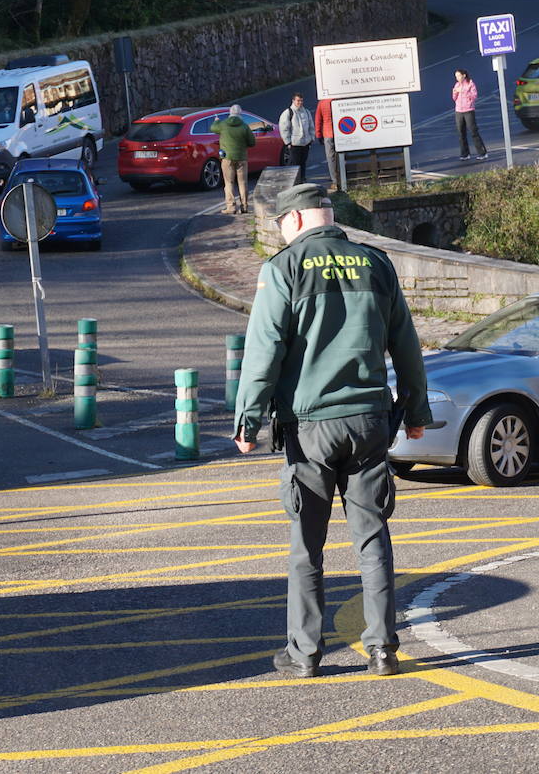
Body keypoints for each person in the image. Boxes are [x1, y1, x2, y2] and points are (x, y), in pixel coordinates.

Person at [232, 183, 431, 679]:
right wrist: (416, 413)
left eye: (281, 226)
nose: (282, 234)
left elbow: (264, 352)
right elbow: (406, 342)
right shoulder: (376, 263)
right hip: (369, 423)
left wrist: (247, 419)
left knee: (307, 545)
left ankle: (304, 654)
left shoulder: (284, 268)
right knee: (372, 539)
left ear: (296, 220)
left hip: (310, 426)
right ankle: (383, 648)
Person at [210, 104, 256, 214]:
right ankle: (244, 207)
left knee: (229, 183)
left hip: (227, 158)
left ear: (230, 113)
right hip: (241, 158)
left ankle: (231, 207)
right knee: (242, 183)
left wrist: (216, 120)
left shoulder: (223, 124)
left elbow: (212, 128)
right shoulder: (244, 126)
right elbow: (252, 142)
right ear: (240, 114)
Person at [452, 69, 487, 161]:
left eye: (459, 76)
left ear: (464, 75)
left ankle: (482, 153)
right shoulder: (456, 85)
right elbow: (454, 98)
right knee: (461, 133)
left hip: (469, 110)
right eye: (456, 76)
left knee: (473, 132)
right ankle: (465, 154)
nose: (457, 78)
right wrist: (455, 91)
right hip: (459, 111)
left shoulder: (470, 84)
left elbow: (474, 96)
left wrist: (463, 91)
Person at [277, 94, 314, 179]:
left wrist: (311, 138)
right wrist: (288, 142)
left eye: (301, 101)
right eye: (298, 101)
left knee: (303, 164)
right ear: (293, 101)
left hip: (306, 143)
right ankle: (295, 183)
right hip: (294, 144)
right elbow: (284, 128)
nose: (300, 103)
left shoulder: (306, 112)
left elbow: (311, 126)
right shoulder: (288, 113)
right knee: (295, 165)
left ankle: (302, 180)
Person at [313, 98, 340, 191]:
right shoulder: (337, 100)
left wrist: (318, 134)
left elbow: (318, 120)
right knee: (341, 156)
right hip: (340, 132)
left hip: (328, 133)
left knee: (330, 158)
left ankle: (335, 181)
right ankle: (343, 176)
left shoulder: (322, 103)